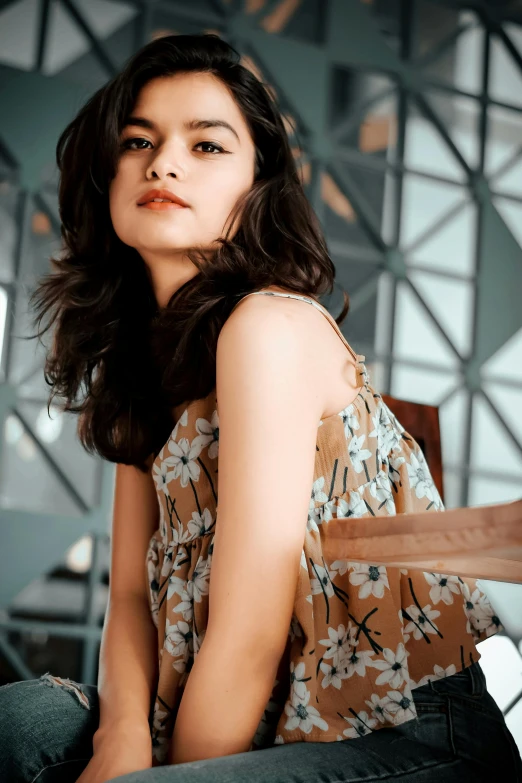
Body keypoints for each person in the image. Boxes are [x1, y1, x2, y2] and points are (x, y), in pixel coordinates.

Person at [0, 32, 521, 783]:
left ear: (257, 189)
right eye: (138, 140)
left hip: (404, 729)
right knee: (21, 722)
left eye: (207, 146)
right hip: (257, 725)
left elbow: (247, 634)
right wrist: (119, 743)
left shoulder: (266, 327)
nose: (164, 162)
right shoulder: (144, 374)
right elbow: (126, 602)